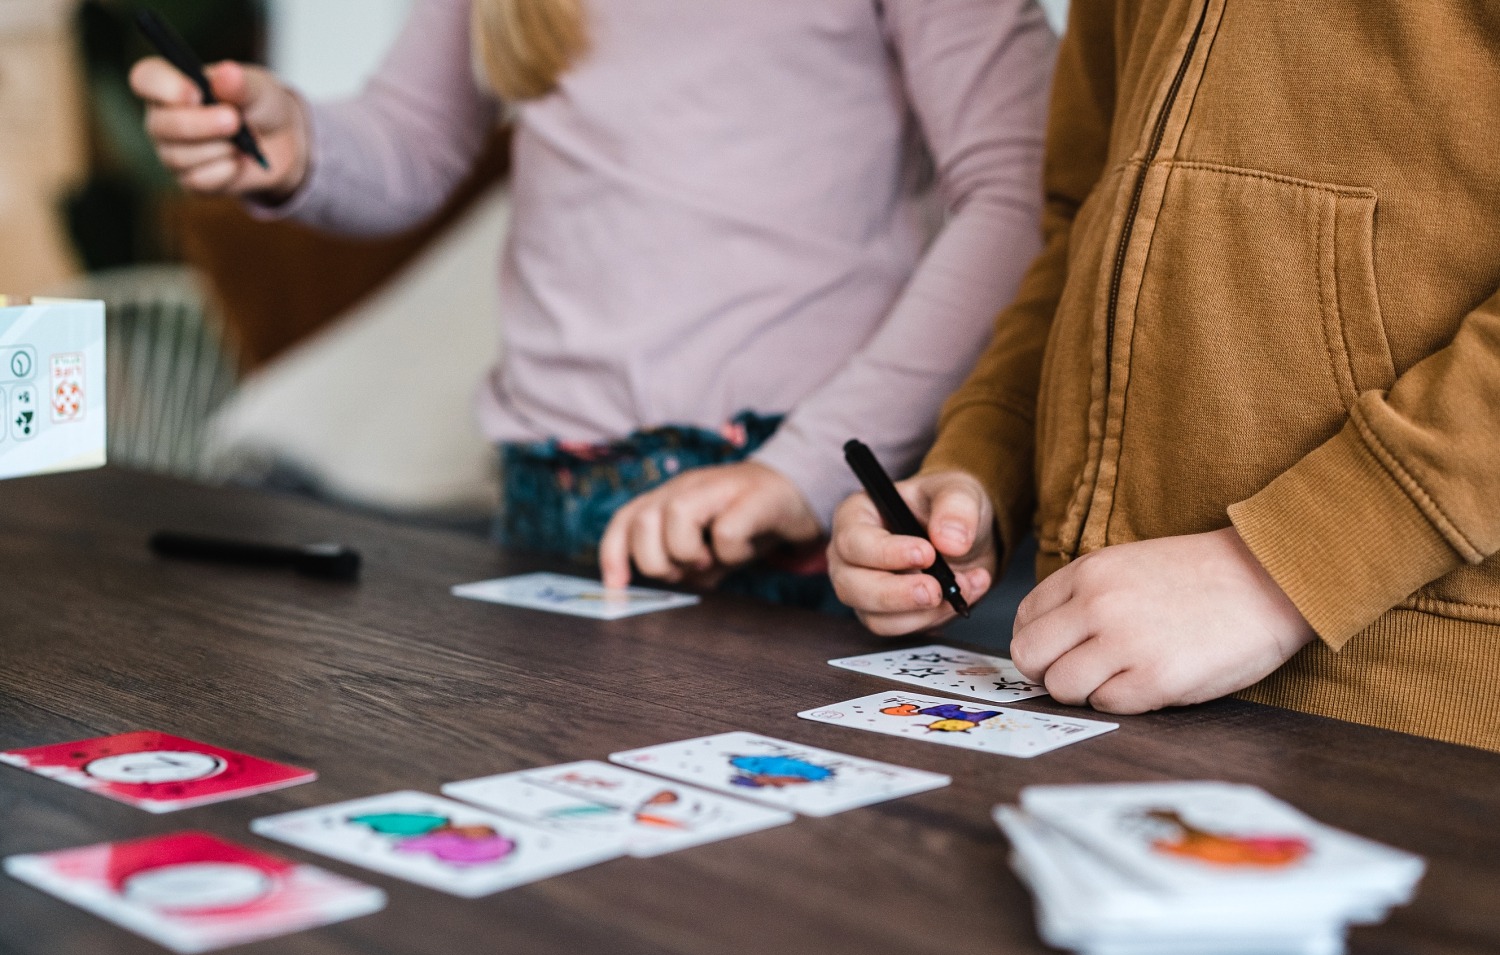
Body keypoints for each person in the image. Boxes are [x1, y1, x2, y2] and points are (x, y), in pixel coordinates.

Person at [129, 0, 1056, 607]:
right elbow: (412, 143)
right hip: (545, 494)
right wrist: (301, 144)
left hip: (790, 510)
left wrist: (802, 471)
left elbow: (1025, 195)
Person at [829, 0, 1500, 752]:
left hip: (1412, 710)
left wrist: (1280, 570)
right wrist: (984, 460)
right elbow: (1085, 222)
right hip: (1088, 670)